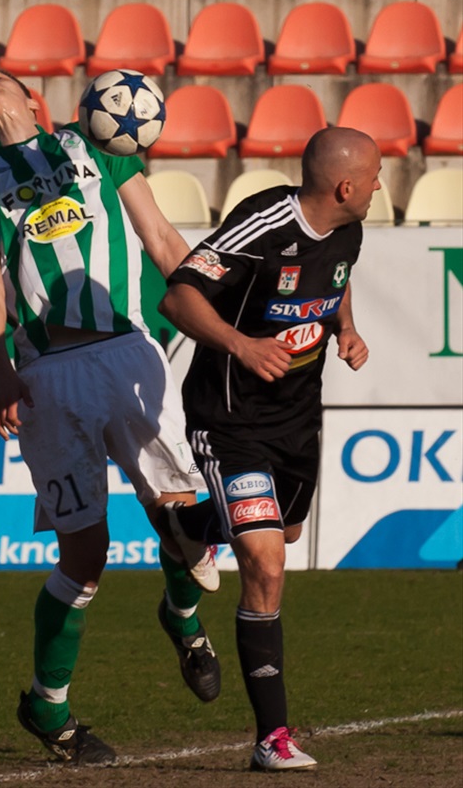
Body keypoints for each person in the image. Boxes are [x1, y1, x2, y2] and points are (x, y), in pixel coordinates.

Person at [0, 66, 220, 767]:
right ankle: (48, 706)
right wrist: (0, 368)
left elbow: (160, 238)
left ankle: (183, 618)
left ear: (35, 100)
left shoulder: (98, 138)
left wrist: (223, 324)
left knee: (183, 516)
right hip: (46, 374)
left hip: (127, 348)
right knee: (86, 555)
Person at [159, 126, 381, 772]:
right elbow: (178, 295)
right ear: (345, 186)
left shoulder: (350, 228)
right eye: (372, 177)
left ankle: (186, 524)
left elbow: (333, 283)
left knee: (281, 534)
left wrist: (346, 328)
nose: (378, 187)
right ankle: (272, 737)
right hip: (230, 420)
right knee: (265, 562)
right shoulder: (261, 224)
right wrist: (242, 344)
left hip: (297, 420)